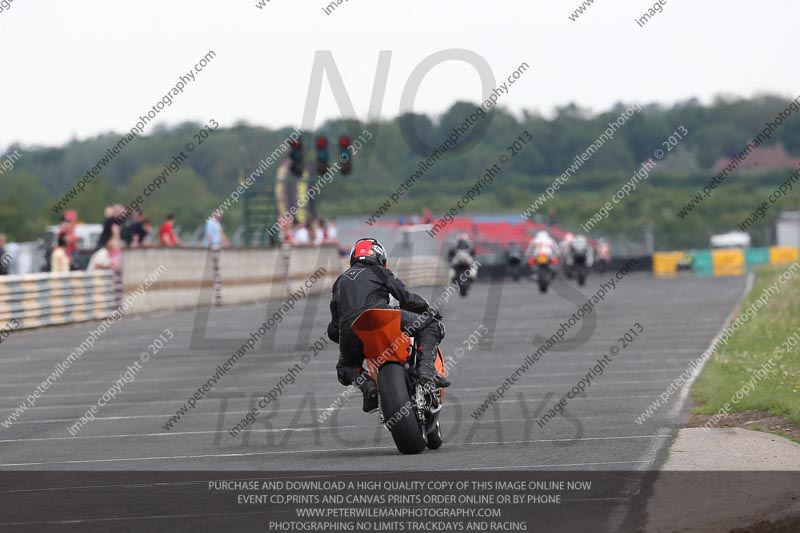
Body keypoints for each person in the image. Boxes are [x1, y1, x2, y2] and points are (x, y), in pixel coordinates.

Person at [327, 238, 449, 413]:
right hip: (382, 317)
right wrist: (429, 310)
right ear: (379, 256)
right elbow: (406, 297)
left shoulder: (339, 281)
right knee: (429, 324)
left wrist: (345, 338)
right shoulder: (379, 272)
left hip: (351, 328)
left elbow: (333, 328)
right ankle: (426, 370)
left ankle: (369, 387)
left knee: (345, 367)